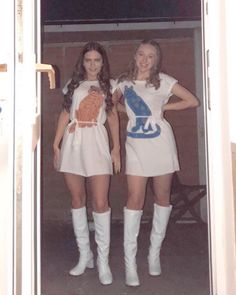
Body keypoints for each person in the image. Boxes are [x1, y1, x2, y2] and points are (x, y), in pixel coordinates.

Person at [113, 39, 199, 287]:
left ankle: (153, 255)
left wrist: (163, 107)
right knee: (134, 199)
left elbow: (192, 101)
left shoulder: (163, 80)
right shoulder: (124, 82)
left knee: (162, 198)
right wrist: (129, 114)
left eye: (151, 56)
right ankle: (130, 264)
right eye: (141, 54)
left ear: (156, 59)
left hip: (161, 145)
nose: (145, 59)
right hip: (136, 147)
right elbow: (111, 106)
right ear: (135, 55)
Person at [53, 41, 121, 285]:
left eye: (97, 60)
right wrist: (56, 144)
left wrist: (116, 148)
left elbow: (112, 117)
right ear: (82, 62)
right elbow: (64, 113)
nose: (93, 64)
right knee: (77, 199)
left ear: (103, 63)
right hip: (73, 141)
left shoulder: (110, 85)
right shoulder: (72, 86)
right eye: (88, 60)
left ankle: (103, 261)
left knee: (100, 201)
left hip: (97, 140)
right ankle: (86, 256)